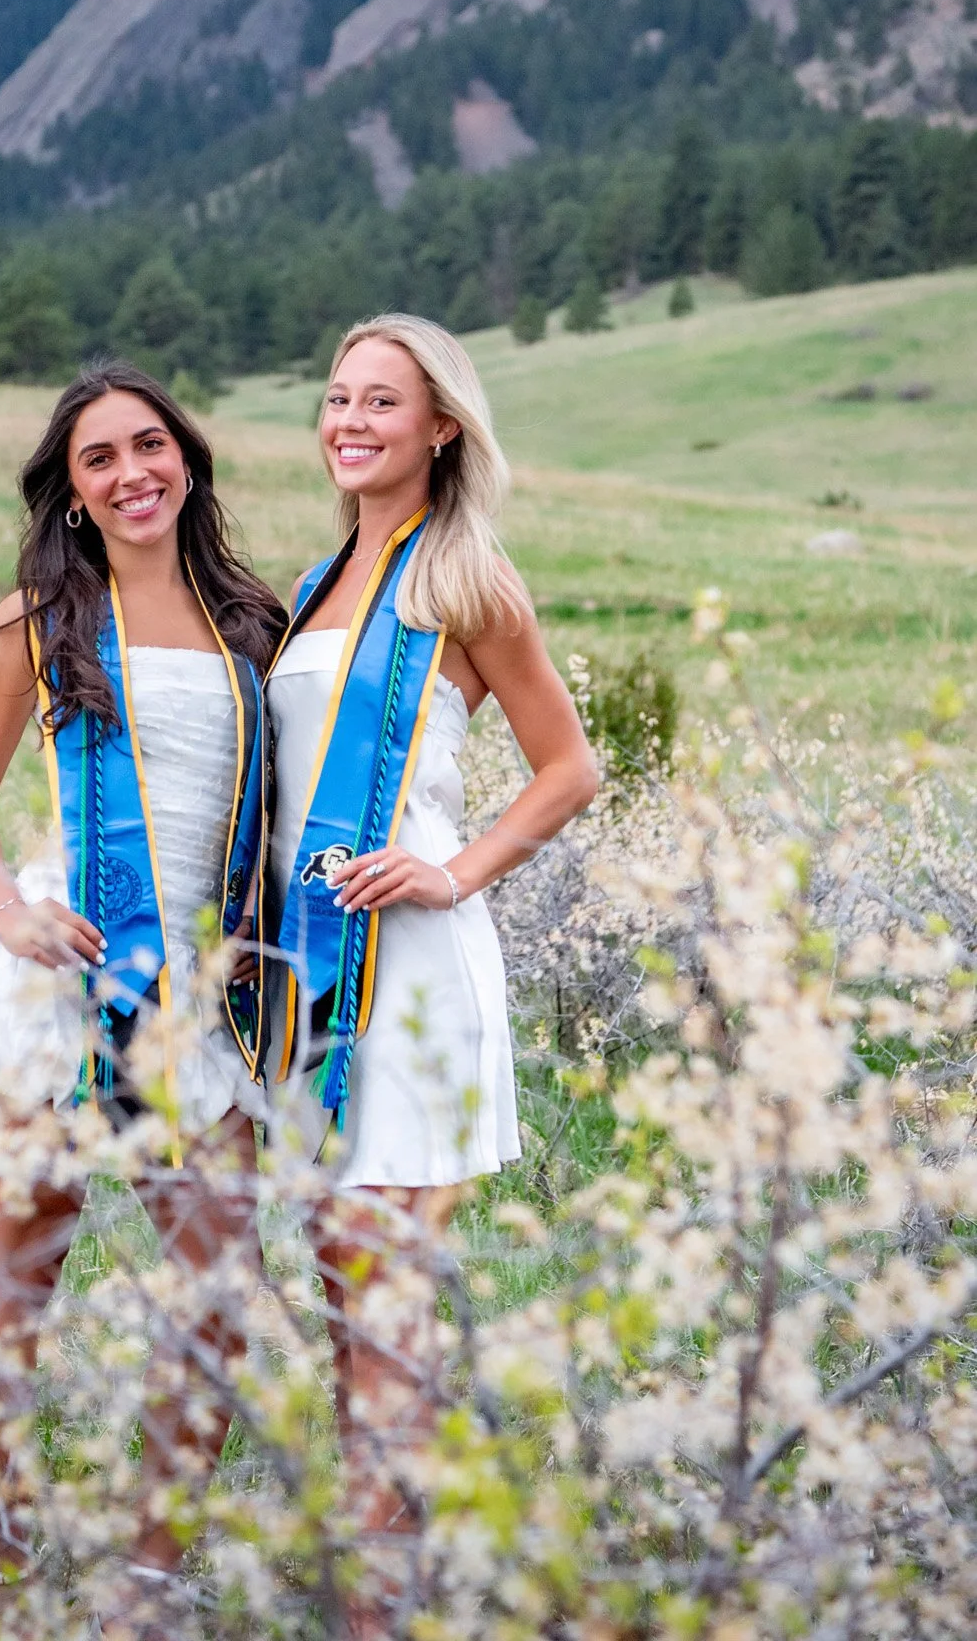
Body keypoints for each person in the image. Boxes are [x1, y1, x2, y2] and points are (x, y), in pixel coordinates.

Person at [0, 360, 285, 1638]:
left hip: (204, 997)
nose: (132, 473)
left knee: (216, 1291)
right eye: (99, 459)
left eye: (149, 445)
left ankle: (151, 1571)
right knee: (16, 1278)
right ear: (71, 494)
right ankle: (2, 1569)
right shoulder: (42, 624)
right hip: (70, 986)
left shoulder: (256, 618)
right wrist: (10, 915)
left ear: (186, 456)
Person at [263, 312, 598, 1636]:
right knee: (348, 1298)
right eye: (335, 398)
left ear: (439, 427)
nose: (349, 421)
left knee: (383, 1294)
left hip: (413, 973)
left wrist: (453, 872)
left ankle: (376, 1603)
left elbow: (568, 766)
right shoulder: (313, 581)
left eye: (380, 404)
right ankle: (382, 1579)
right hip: (311, 978)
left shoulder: (465, 582)